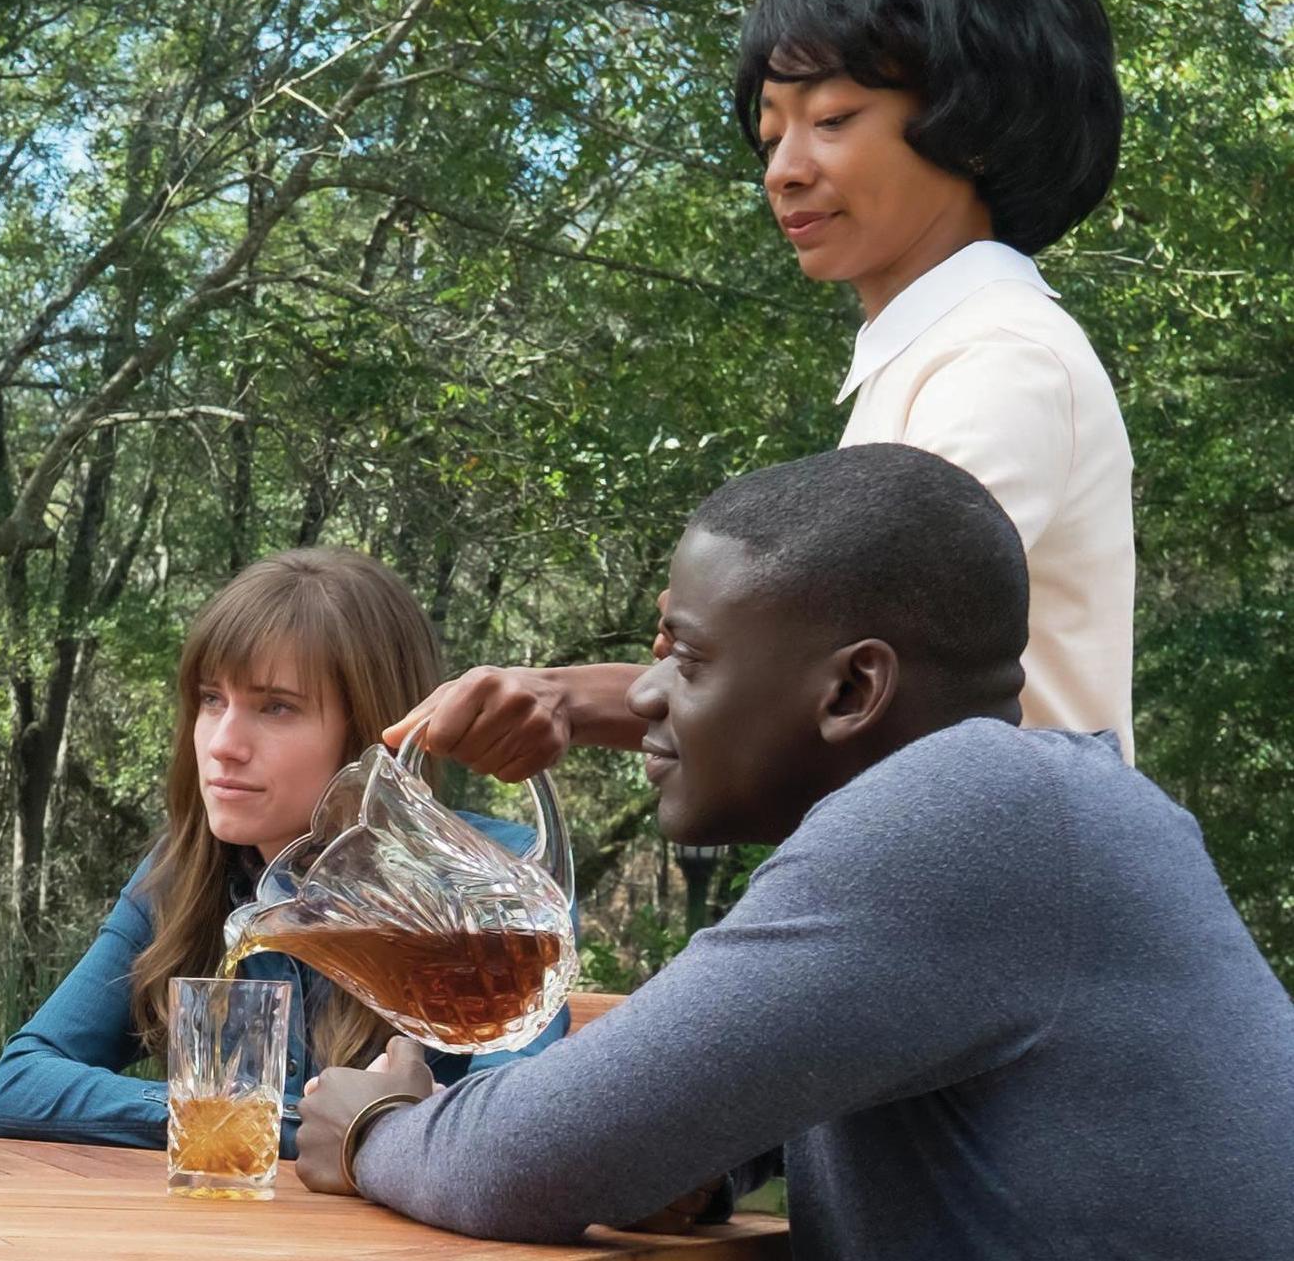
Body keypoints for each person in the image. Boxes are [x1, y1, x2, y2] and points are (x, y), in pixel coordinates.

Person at [295, 445, 1294, 1258]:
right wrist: (696, 1164)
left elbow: (518, 1163)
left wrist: (375, 1125)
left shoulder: (965, 814)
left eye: (686, 657)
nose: (642, 697)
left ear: (852, 691)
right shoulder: (1036, 816)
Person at [406, 0, 1135, 773]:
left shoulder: (999, 361)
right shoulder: (929, 355)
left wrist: (570, 691)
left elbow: (838, 670)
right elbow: (804, 671)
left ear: (971, 125)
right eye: (771, 132)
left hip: (1009, 890)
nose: (785, 171)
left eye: (832, 121)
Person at [0, 548, 569, 1156]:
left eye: (276, 707)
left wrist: (327, 1128)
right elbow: (21, 1083)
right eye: (212, 700)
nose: (223, 744)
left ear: (372, 730)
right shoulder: (186, 873)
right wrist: (282, 1120)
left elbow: (513, 1133)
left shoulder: (496, 885)